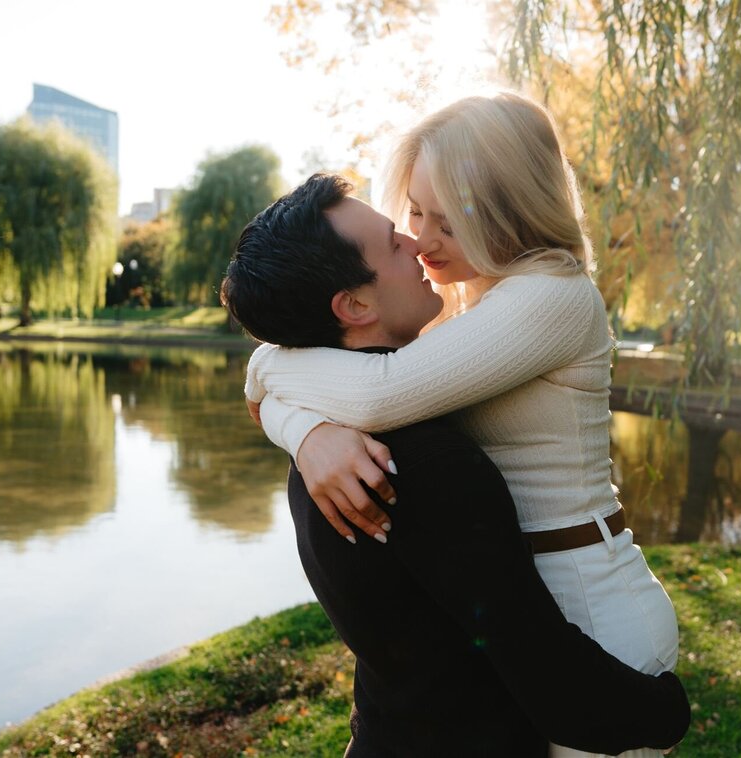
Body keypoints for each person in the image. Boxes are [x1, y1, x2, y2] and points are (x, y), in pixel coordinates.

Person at [245, 93, 681, 758]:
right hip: (529, 601)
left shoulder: (550, 296)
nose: (420, 238)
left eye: (445, 221)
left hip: (587, 596)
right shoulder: (470, 302)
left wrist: (270, 381)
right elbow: (371, 384)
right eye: (414, 211)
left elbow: (381, 390)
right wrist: (305, 433)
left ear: (508, 211)